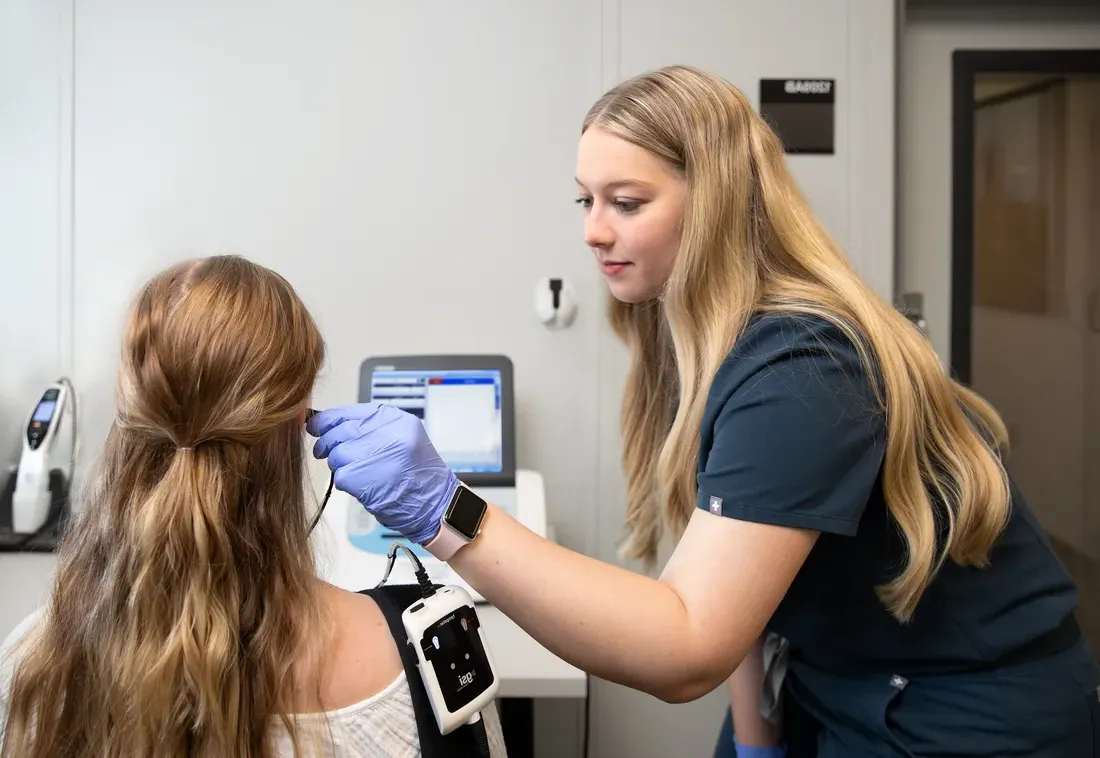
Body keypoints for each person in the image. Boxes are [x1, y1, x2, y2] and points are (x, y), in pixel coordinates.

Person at [308, 65, 1100, 757]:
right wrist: (755, 737)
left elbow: (688, 642)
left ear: (715, 201)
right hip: (831, 677)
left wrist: (448, 512)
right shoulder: (693, 340)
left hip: (961, 713)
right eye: (585, 200)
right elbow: (743, 576)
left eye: (625, 201)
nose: (591, 231)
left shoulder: (804, 368)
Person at [0, 256, 507, 757]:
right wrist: (455, 516)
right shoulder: (428, 662)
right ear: (299, 414)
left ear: (129, 409)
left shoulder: (35, 668)